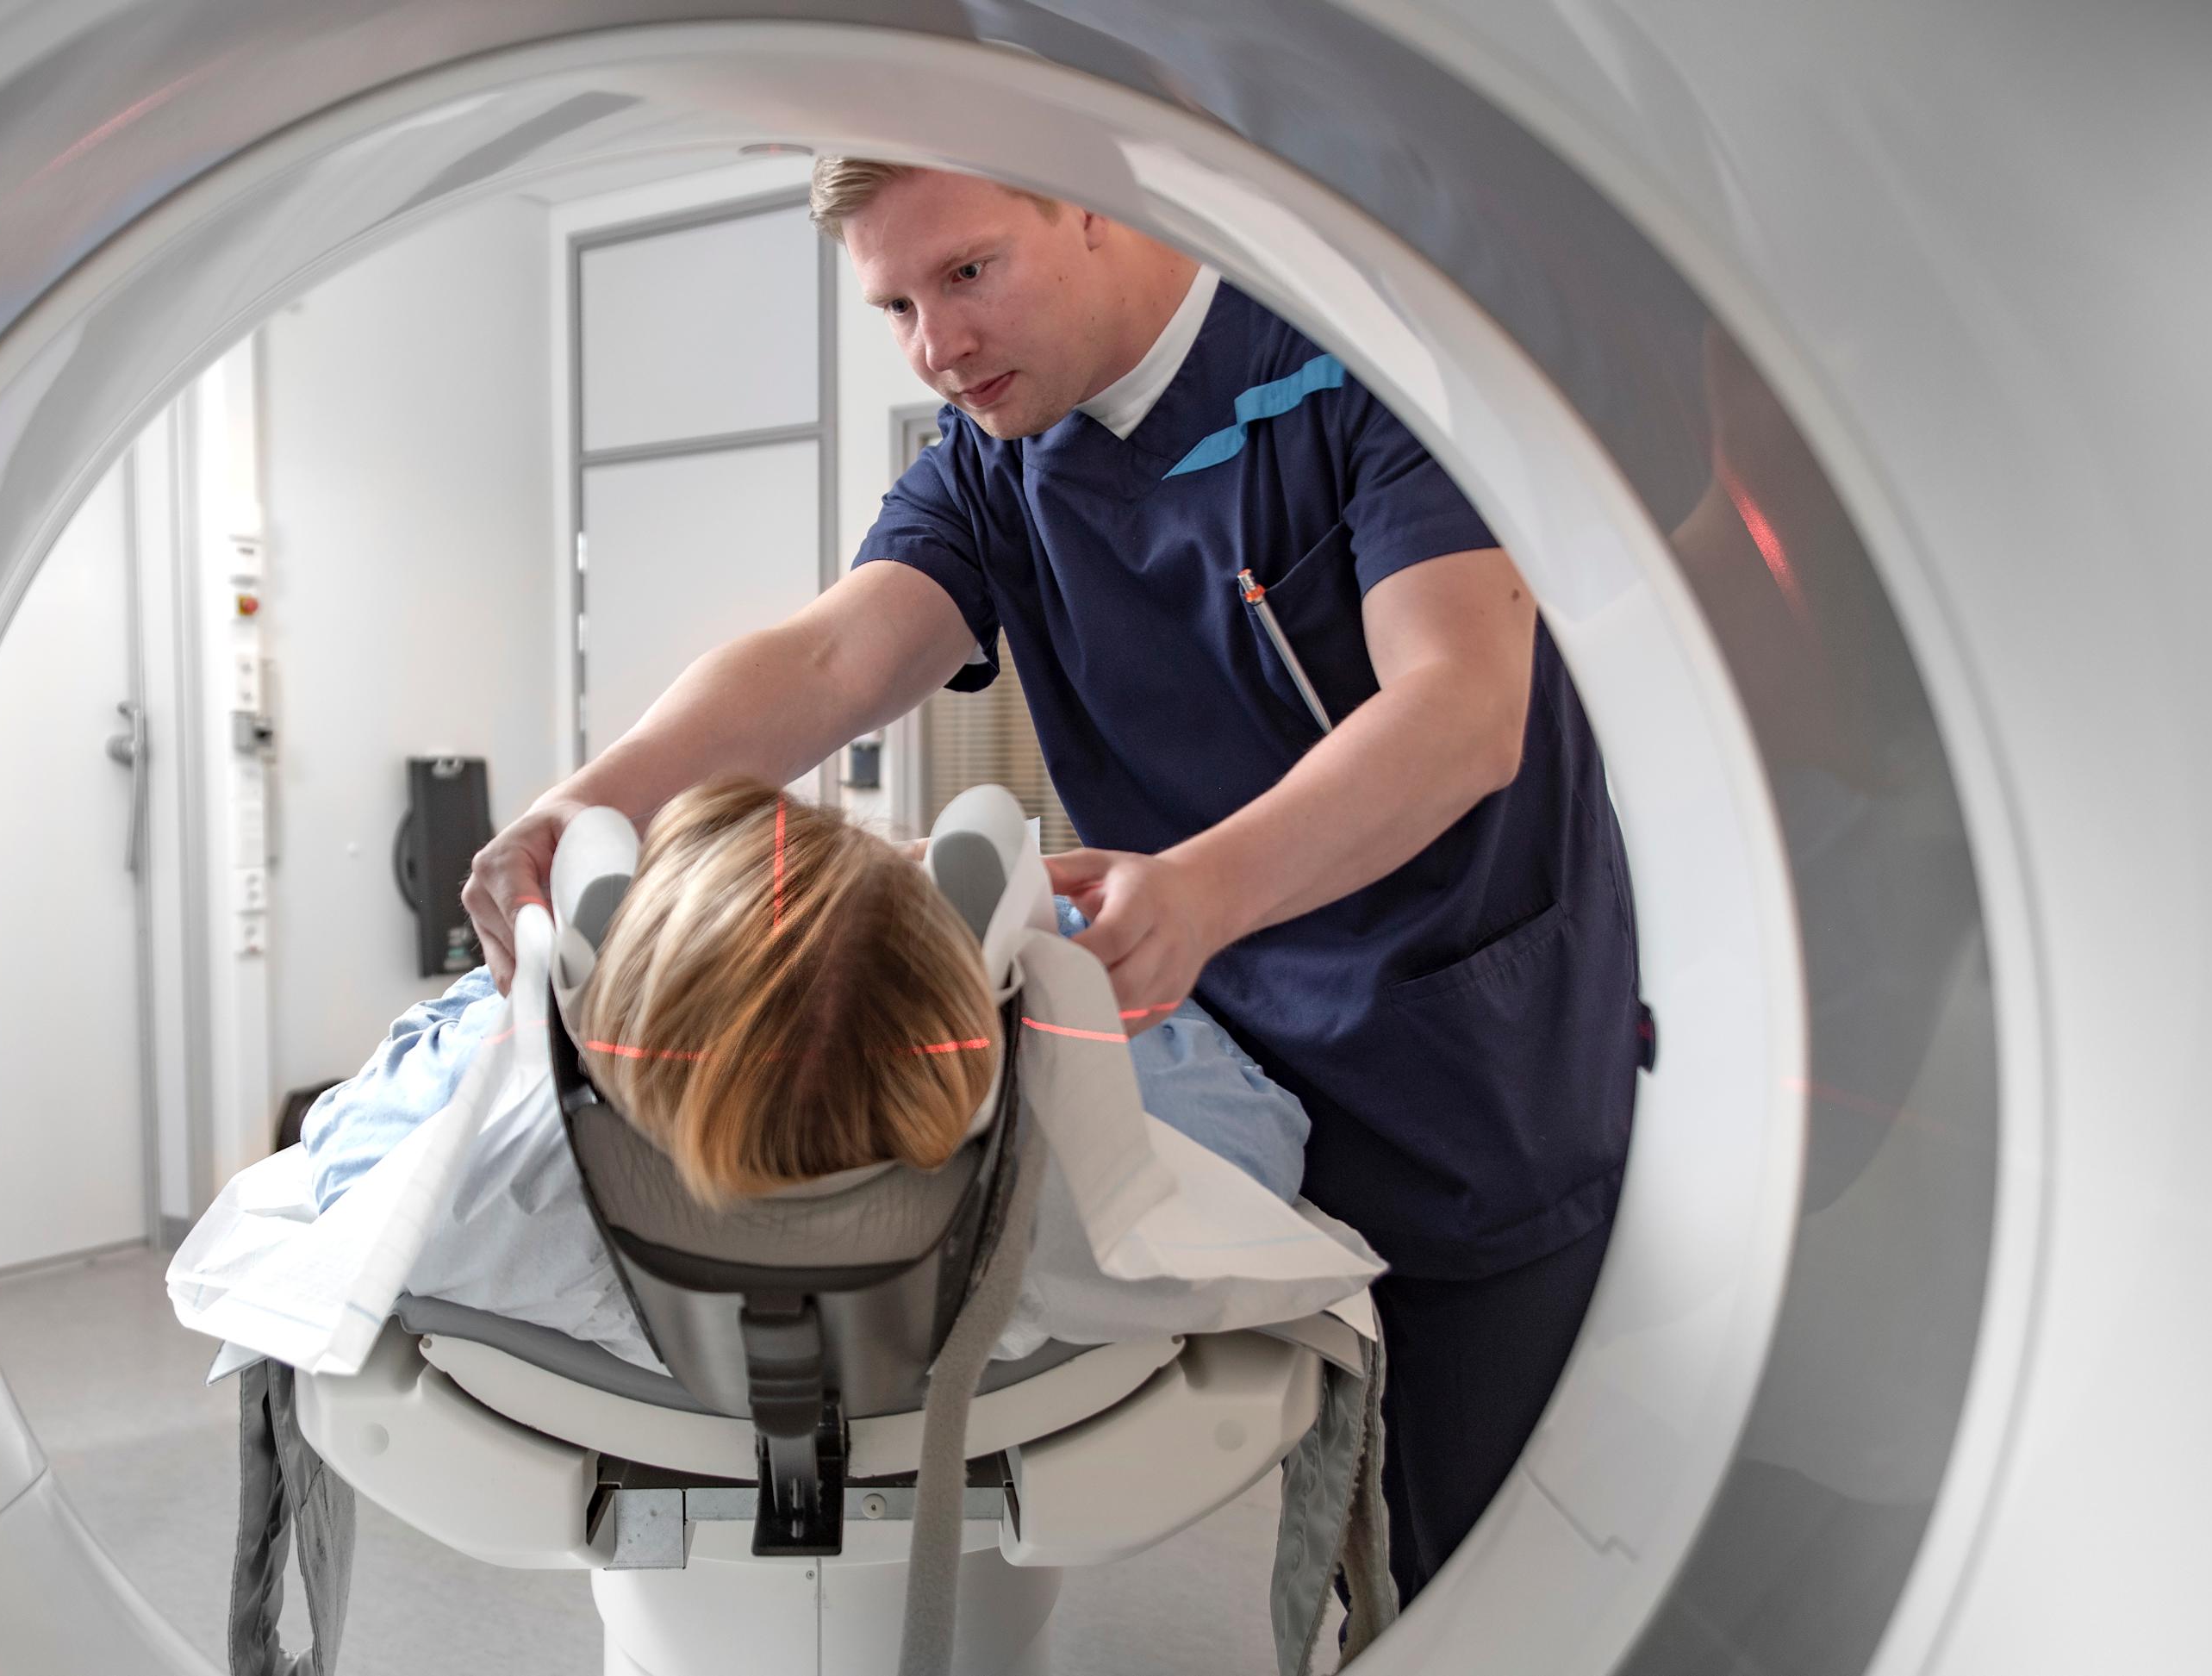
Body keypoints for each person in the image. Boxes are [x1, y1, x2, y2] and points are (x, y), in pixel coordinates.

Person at [462, 161, 1643, 1598]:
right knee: (1360, 1540)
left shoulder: (1364, 370)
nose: (935, 347)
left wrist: (1200, 893)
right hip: (1237, 1059)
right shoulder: (996, 459)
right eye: (896, 305)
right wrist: (584, 806)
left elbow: (1464, 710)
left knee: (1490, 1560)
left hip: (1460, 1062)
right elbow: (832, 657)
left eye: (968, 273)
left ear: (1088, 190)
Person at [305, 777, 1330, 1370]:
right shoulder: (1089, 1214)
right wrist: (1051, 945)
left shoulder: (502, 1212)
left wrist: (515, 993)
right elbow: (1258, 1134)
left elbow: (349, 1149)